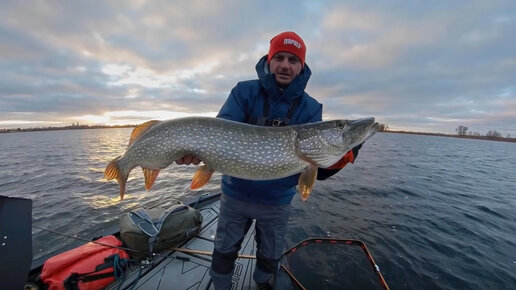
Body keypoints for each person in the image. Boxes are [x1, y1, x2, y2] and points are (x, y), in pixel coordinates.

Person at [175, 31, 361, 290]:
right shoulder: (244, 92)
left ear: (302, 66)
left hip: (277, 202)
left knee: (270, 254)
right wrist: (198, 152)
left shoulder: (311, 108)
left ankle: (263, 284)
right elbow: (218, 133)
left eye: (293, 60)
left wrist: (344, 154)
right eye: (280, 58)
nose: (286, 65)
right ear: (269, 61)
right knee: (224, 249)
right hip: (235, 195)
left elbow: (319, 164)